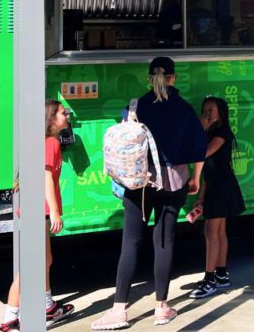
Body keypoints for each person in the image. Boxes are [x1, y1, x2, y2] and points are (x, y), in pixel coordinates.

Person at [92, 57, 207, 329]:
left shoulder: (136, 107)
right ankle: (161, 309)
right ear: (173, 78)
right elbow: (198, 147)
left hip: (138, 183)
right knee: (164, 240)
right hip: (174, 181)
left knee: (130, 242)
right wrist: (197, 179)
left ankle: (119, 310)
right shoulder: (184, 108)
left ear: (148, 79)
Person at [0, 100, 76, 331]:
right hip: (39, 210)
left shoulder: (43, 142)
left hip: (35, 209)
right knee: (30, 267)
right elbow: (46, 179)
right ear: (52, 119)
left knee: (46, 260)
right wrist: (54, 211)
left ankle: (47, 306)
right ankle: (10, 319)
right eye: (63, 113)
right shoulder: (50, 143)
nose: (67, 116)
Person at [187, 96, 246, 299]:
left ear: (221, 112)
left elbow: (202, 154)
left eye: (212, 109)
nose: (208, 113)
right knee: (218, 231)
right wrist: (201, 198)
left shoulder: (221, 133)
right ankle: (221, 274)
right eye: (205, 110)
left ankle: (209, 279)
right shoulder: (213, 132)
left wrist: (201, 129)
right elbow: (207, 172)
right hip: (216, 185)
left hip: (222, 186)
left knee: (212, 231)